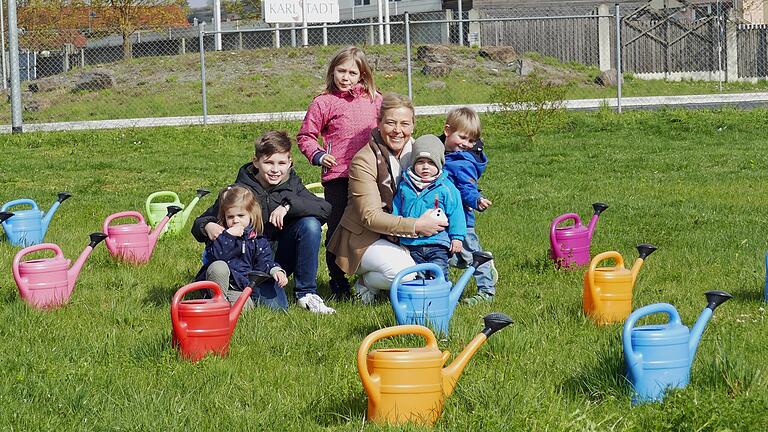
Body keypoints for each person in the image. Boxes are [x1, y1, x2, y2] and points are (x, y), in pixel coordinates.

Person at [192, 131, 336, 314]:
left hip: (276, 258)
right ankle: (227, 290)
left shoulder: (293, 184)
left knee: (310, 225)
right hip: (247, 263)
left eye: (282, 163)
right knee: (276, 307)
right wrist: (207, 226)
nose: (275, 169)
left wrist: (288, 205)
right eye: (268, 162)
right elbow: (200, 221)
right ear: (256, 162)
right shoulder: (241, 190)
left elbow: (325, 209)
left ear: (290, 163)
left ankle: (306, 293)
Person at [327, 93, 447, 304]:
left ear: (413, 125)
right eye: (390, 123)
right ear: (379, 123)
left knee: (436, 256)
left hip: (405, 233)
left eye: (404, 124)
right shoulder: (364, 160)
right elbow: (370, 217)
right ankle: (367, 284)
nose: (397, 130)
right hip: (365, 238)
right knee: (408, 273)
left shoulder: (421, 154)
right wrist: (418, 225)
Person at [297, 46, 382, 300]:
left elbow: (389, 128)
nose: (345, 77)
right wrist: (319, 154)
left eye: (352, 72)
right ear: (332, 71)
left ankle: (372, 277)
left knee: (371, 224)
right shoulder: (323, 102)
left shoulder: (375, 99)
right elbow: (306, 136)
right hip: (338, 176)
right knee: (336, 229)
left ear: (363, 75)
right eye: (341, 71)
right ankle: (337, 280)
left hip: (370, 175)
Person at [195, 185, 289, 310]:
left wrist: (276, 271)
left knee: (246, 306)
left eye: (241, 215)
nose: (235, 220)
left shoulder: (258, 240)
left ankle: (222, 304)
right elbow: (217, 256)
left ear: (251, 215)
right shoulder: (220, 235)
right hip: (216, 282)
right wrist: (228, 236)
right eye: (230, 217)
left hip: (238, 286)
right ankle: (216, 300)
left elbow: (264, 263)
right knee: (219, 267)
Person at [440, 107, 499, 305]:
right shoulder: (440, 154)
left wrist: (476, 200)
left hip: (462, 220)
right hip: (443, 219)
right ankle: (442, 290)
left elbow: (467, 186)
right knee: (449, 255)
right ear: (447, 131)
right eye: (463, 138)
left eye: (471, 141)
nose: (466, 144)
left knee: (472, 256)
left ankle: (486, 290)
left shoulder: (462, 161)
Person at [392, 134, 466, 280]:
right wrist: (394, 228)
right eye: (420, 162)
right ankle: (419, 300)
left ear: (439, 164)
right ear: (413, 163)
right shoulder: (405, 186)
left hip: (437, 243)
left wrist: (457, 237)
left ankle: (438, 297)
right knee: (416, 275)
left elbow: (456, 213)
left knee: (437, 273)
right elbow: (396, 207)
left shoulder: (446, 188)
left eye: (431, 163)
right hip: (411, 242)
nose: (425, 167)